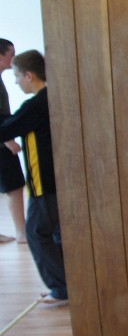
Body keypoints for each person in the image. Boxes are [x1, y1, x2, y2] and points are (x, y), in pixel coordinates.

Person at [0, 50, 67, 306]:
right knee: (55, 233)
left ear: (29, 75)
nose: (17, 82)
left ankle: (61, 288)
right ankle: (65, 284)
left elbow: (7, 128)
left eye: (18, 77)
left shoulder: (36, 105)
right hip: (56, 180)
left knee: (36, 233)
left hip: (44, 183)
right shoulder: (50, 99)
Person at [0, 39, 26, 244]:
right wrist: (9, 141)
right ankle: (22, 234)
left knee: (12, 186)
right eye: (11, 54)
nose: (14, 58)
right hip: (2, 143)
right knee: (14, 186)